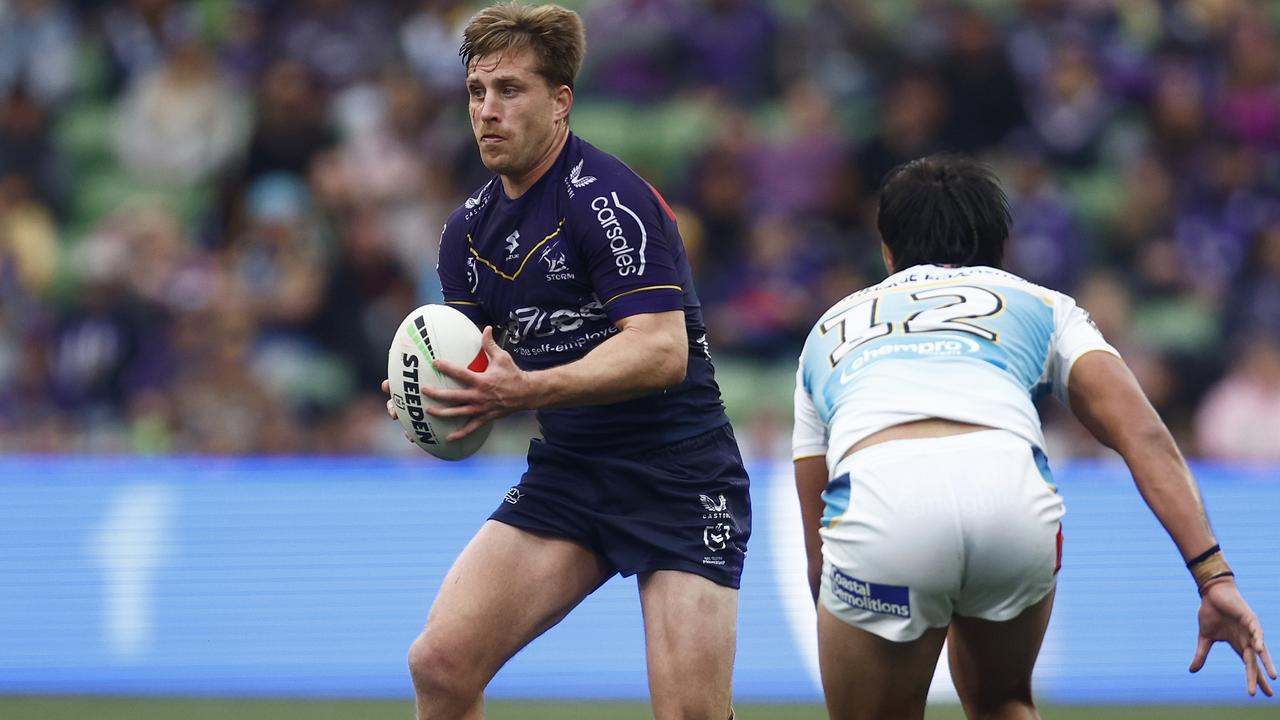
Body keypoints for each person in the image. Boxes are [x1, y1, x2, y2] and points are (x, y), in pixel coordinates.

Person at [792, 153, 1275, 720]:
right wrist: (1212, 575)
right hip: (1012, 498)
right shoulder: (1044, 304)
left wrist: (856, 606)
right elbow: (1143, 435)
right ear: (1002, 249)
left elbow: (818, 548)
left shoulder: (829, 329)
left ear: (887, 252)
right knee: (1005, 702)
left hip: (883, 502)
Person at [382, 4, 749, 719]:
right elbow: (472, 371)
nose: (487, 111)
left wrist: (525, 391)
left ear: (560, 102)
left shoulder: (610, 200)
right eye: (477, 92)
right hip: (572, 477)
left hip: (679, 478)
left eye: (510, 90)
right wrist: (424, 397)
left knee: (691, 716)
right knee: (441, 665)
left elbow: (662, 350)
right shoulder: (466, 232)